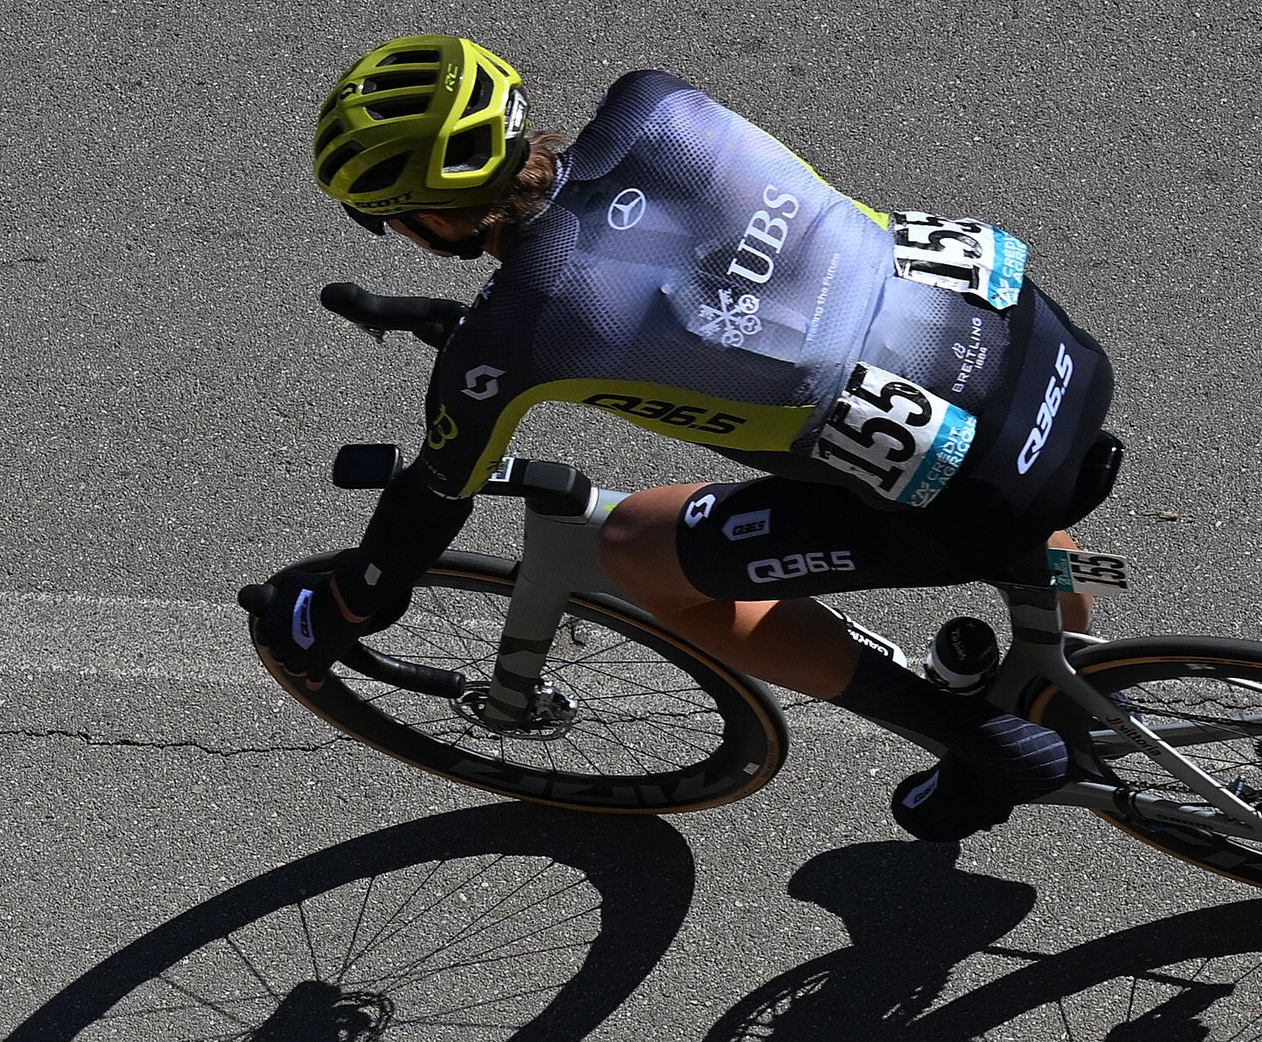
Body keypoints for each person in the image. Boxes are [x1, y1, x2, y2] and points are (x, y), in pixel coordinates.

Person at [255, 37, 1124, 841]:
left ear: (432, 220)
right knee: (973, 466)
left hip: (974, 490)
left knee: (641, 550)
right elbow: (675, 268)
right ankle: (1060, 673)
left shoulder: (514, 338)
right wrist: (482, 327)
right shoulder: (657, 104)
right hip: (1051, 360)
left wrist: (335, 612)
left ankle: (984, 741)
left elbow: (426, 507)